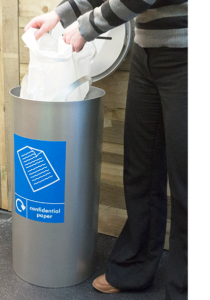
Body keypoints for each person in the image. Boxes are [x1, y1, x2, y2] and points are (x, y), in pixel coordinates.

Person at [25, 1, 188, 299]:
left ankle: (186, 288)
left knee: (188, 183)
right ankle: (134, 268)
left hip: (189, 52)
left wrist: (88, 26)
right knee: (142, 168)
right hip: (147, 50)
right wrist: (59, 14)